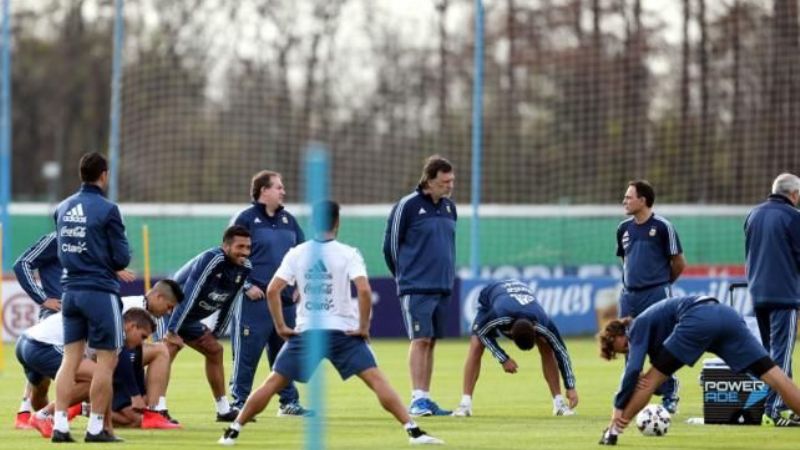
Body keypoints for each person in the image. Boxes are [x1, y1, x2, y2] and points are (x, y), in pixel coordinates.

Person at [218, 201, 444, 446]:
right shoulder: (348, 253)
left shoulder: (297, 253)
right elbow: (365, 291)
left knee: (271, 383)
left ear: (313, 222)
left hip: (307, 333)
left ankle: (233, 431)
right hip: (342, 332)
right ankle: (413, 431)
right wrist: (363, 328)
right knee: (377, 381)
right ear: (337, 222)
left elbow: (273, 290)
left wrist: (282, 326)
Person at [597, 295, 800, 445]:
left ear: (619, 333)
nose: (629, 350)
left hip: (698, 319)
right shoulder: (651, 327)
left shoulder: (636, 327)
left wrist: (618, 408)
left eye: (624, 347)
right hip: (727, 315)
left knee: (649, 380)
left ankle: (613, 431)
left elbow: (633, 372)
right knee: (775, 376)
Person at [18, 282, 183, 438]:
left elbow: (126, 356)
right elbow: (123, 356)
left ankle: (81, 417)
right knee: (101, 376)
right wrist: (135, 395)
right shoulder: (124, 311)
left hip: (29, 341)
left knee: (97, 380)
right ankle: (45, 415)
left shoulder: (129, 311)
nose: (169, 313)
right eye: (169, 307)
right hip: (42, 344)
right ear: (131, 326)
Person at [52, 152, 131, 443]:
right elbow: (121, 256)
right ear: (104, 175)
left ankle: (60, 426)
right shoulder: (108, 209)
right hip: (99, 291)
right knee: (106, 363)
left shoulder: (62, 207)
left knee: (69, 361)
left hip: (69, 291)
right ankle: (96, 428)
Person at [229, 170, 309, 417]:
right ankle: (238, 402)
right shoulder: (245, 219)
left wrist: (300, 286)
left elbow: (304, 255)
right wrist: (245, 286)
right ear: (263, 191)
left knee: (285, 354)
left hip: (284, 302)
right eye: (278, 187)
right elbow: (229, 256)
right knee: (247, 355)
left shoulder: (290, 221)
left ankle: (288, 402)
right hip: (254, 300)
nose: (283, 191)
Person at [383, 155, 457, 416]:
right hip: (416, 287)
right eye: (445, 181)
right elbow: (390, 247)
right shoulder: (407, 206)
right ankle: (416, 399)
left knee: (432, 341)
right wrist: (403, 277)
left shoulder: (450, 207)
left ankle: (426, 397)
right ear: (429, 179)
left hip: (442, 286)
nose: (450, 186)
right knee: (420, 339)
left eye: (452, 181)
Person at [452, 279, 578, 417]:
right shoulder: (498, 315)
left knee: (546, 345)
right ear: (509, 332)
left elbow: (561, 351)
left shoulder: (543, 323)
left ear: (535, 330)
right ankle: (465, 405)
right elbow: (481, 331)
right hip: (491, 296)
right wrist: (503, 358)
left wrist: (570, 387)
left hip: (521, 298)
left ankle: (559, 404)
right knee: (476, 344)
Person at [164, 225, 252, 422]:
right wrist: (172, 330)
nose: (245, 252)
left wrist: (217, 333)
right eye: (240, 247)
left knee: (215, 350)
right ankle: (156, 408)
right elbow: (189, 294)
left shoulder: (245, 268)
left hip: (189, 319)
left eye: (248, 247)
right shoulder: (213, 259)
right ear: (226, 246)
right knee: (167, 351)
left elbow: (231, 303)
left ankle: (223, 410)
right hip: (169, 310)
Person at [615, 179, 685, 413]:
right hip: (629, 296)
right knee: (628, 345)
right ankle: (631, 392)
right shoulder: (623, 228)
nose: (624, 201)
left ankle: (669, 392)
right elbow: (624, 261)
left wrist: (662, 285)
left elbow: (678, 263)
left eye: (628, 197)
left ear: (643, 200)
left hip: (656, 293)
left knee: (660, 346)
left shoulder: (663, 227)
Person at [744, 172, 800, 426]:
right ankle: (774, 409)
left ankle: (778, 405)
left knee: (770, 356)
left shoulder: (753, 214)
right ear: (794, 194)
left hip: (758, 294)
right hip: (784, 296)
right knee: (782, 354)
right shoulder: (792, 217)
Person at [12, 232, 62, 429]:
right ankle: (27, 411)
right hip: (55, 317)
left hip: (81, 314)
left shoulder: (90, 240)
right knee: (42, 381)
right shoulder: (56, 239)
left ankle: (36, 414)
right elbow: (22, 264)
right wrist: (42, 299)